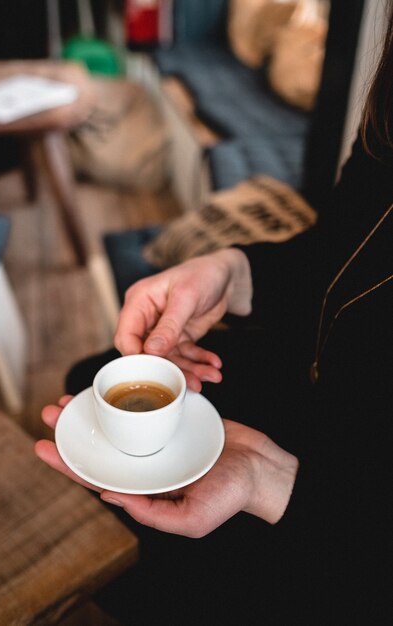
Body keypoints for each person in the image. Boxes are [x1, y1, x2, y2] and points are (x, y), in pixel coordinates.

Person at [36, 3, 393, 623]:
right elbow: (339, 251)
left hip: (348, 524)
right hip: (311, 375)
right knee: (87, 378)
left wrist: (274, 482)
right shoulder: (386, 125)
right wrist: (234, 272)